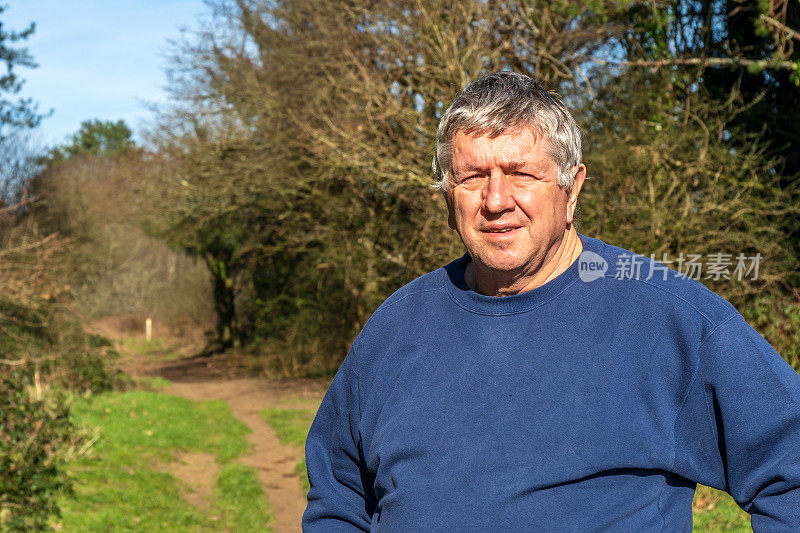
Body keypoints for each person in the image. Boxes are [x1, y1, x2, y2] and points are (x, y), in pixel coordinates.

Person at [302, 71, 800, 531]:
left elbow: (791, 468)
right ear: (448, 196)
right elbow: (339, 498)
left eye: (521, 174)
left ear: (572, 189)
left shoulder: (669, 318)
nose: (495, 200)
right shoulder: (395, 329)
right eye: (472, 177)